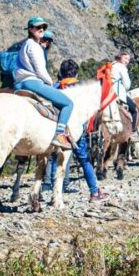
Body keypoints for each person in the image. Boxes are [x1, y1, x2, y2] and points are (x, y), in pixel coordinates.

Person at [44, 58, 106, 202]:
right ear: (76, 74)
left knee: (54, 158)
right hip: (77, 131)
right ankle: (94, 192)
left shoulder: (55, 86)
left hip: (58, 128)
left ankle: (53, 188)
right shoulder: (80, 88)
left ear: (61, 73)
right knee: (85, 160)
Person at [14, 16, 73, 149]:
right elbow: (40, 71)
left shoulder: (24, 44)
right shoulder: (34, 46)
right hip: (32, 83)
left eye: (43, 27)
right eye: (37, 27)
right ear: (30, 29)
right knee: (68, 104)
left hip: (19, 84)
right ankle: (59, 134)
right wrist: (50, 83)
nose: (41, 29)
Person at [111, 50, 139, 142]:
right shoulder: (121, 67)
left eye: (128, 59)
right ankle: (133, 133)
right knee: (135, 110)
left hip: (107, 94)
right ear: (120, 57)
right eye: (125, 58)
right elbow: (127, 85)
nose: (127, 61)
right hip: (118, 95)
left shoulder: (111, 65)